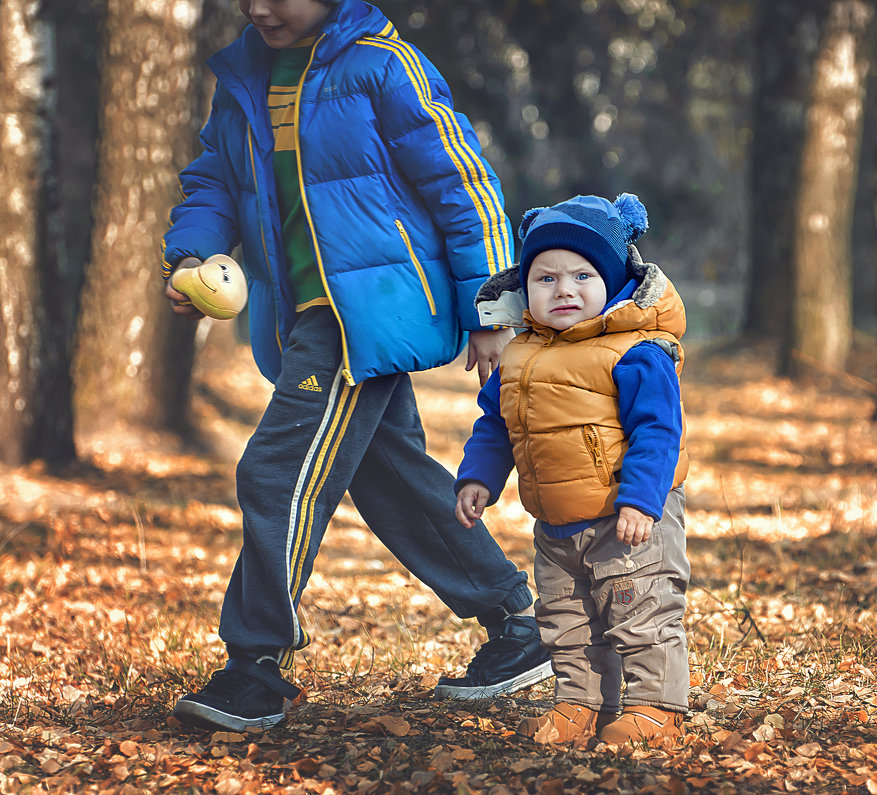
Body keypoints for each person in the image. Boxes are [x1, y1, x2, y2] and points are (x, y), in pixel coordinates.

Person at [160, 0, 551, 732]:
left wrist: (493, 312)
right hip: (307, 316)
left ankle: (254, 664)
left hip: (364, 312)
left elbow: (464, 187)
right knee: (391, 477)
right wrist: (192, 254)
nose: (260, 7)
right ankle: (515, 620)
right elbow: (214, 177)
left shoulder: (382, 66)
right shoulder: (244, 71)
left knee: (275, 472)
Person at [454, 193, 691, 747]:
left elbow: (659, 430)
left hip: (627, 515)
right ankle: (581, 704)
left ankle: (656, 707)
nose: (563, 289)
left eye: (582, 275)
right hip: (557, 523)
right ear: (524, 288)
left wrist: (640, 500)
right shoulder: (519, 355)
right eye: (546, 278)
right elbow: (496, 423)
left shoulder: (636, 351)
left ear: (613, 281)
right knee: (569, 619)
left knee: (640, 610)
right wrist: (479, 478)